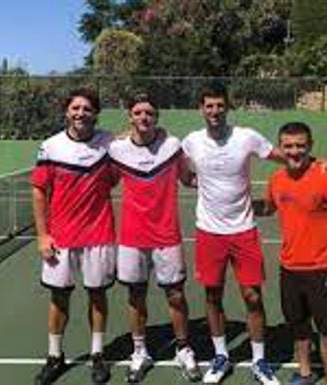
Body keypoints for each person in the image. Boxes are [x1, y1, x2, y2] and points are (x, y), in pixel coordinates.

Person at [181, 81, 306, 385]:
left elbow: (283, 156)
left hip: (244, 231)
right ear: (201, 109)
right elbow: (184, 176)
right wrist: (203, 185)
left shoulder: (246, 137)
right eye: (209, 106)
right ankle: (221, 355)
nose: (214, 111)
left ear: (228, 107)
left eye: (219, 105)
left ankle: (259, 361)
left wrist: (315, 164)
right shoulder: (192, 141)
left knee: (252, 296)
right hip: (209, 231)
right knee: (212, 295)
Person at [108, 92, 201, 383]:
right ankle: (140, 351)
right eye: (138, 113)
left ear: (156, 117)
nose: (143, 118)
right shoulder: (117, 150)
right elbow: (107, 180)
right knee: (135, 296)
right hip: (131, 238)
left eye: (149, 113)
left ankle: (183, 349)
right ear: (130, 117)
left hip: (166, 236)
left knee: (175, 294)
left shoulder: (172, 146)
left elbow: (188, 178)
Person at [256, 121, 327, 385]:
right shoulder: (276, 180)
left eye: (300, 145)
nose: (294, 151)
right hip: (289, 269)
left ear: (310, 146)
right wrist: (228, 199)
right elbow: (267, 208)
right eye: (288, 146)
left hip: (322, 269)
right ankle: (305, 373)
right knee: (299, 329)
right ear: (281, 148)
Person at [31, 88, 116, 385]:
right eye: (75, 108)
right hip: (61, 239)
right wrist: (43, 236)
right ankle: (55, 356)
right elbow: (39, 191)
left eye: (87, 109)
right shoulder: (51, 147)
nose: (81, 113)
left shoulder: (110, 143)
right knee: (59, 298)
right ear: (67, 112)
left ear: (95, 114)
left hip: (99, 235)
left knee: (97, 295)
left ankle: (97, 355)